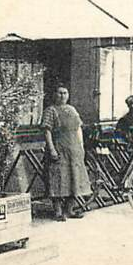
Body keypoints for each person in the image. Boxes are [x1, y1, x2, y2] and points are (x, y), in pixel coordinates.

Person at [41, 86, 92, 221]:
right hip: (59, 149)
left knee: (75, 179)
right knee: (58, 179)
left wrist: (81, 147)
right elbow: (47, 131)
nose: (62, 96)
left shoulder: (72, 109)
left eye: (65, 93)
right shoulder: (50, 110)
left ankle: (69, 210)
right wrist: (51, 149)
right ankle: (57, 212)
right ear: (54, 95)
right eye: (59, 93)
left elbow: (78, 129)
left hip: (74, 149)